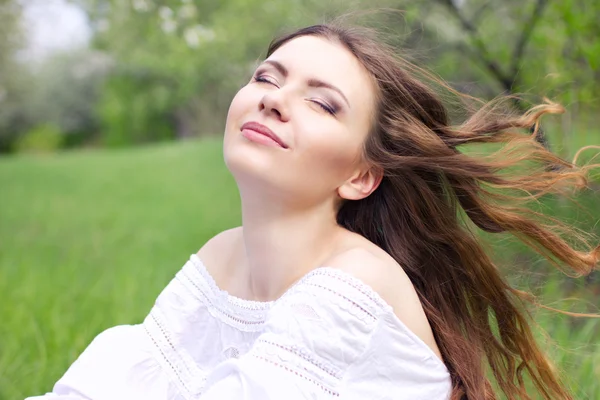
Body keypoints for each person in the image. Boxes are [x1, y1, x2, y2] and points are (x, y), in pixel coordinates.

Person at [27, 21, 598, 400]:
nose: (273, 98)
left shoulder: (355, 281)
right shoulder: (222, 255)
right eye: (265, 78)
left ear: (360, 175)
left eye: (322, 103)